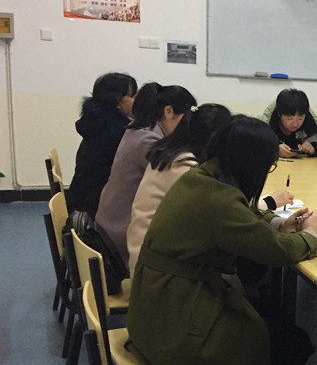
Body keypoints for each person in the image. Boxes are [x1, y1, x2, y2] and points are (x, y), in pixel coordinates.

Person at [126, 115, 317, 365]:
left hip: (158, 300)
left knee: (270, 325)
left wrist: (279, 223)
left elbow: (242, 214)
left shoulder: (204, 176)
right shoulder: (217, 198)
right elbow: (276, 251)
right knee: (285, 343)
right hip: (174, 315)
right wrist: (313, 236)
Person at [95, 83, 196, 268]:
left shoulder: (138, 130)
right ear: (168, 111)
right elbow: (182, 183)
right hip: (121, 236)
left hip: (109, 224)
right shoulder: (149, 141)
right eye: (186, 117)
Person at [126, 103, 232, 273]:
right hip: (156, 271)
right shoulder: (183, 166)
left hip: (149, 256)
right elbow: (222, 211)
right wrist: (269, 202)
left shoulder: (171, 153)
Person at [68, 73, 137, 218]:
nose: (137, 101)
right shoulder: (113, 132)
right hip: (93, 211)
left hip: (82, 203)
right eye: (132, 96)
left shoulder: (97, 124)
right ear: (116, 100)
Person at [260, 88, 317, 158]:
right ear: (279, 114)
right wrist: (275, 150)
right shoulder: (264, 126)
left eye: (300, 118)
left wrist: (315, 148)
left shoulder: (312, 126)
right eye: (289, 118)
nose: (295, 124)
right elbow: (254, 147)